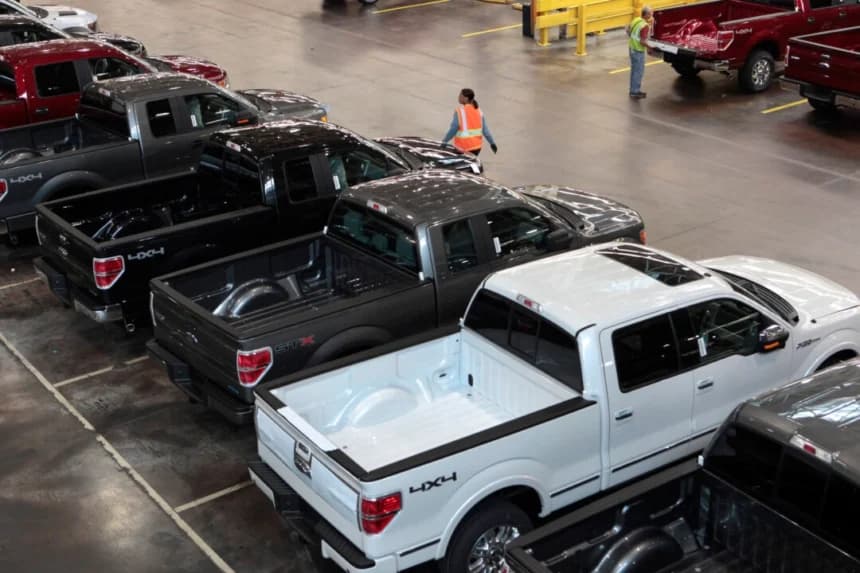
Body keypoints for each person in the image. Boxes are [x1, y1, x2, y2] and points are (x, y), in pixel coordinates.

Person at [442, 88, 497, 156]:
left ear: (466, 98)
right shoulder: (479, 111)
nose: (458, 97)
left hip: (463, 148)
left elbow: (453, 129)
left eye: (460, 96)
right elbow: (485, 130)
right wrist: (492, 143)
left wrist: (444, 142)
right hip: (477, 148)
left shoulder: (460, 111)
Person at [627, 6, 653, 99]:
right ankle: (635, 91)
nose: (651, 15)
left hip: (631, 48)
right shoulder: (645, 26)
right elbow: (642, 41)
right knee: (638, 71)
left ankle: (633, 90)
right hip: (638, 50)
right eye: (651, 13)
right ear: (646, 14)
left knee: (634, 71)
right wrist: (650, 47)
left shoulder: (636, 19)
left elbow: (628, 30)